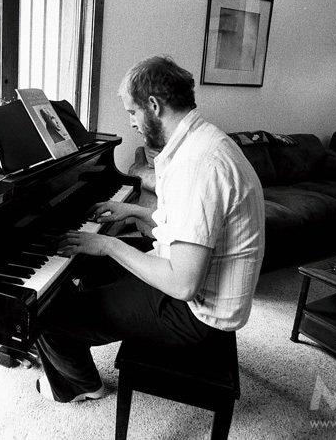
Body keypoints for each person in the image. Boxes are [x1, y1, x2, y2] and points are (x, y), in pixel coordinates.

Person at [34, 54, 266, 402]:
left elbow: (183, 284)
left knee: (46, 314)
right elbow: (192, 226)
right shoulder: (203, 140)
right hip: (199, 278)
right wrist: (133, 211)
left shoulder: (198, 164)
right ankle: (87, 331)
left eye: (132, 112)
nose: (131, 122)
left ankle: (82, 385)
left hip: (198, 313)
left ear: (154, 105)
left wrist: (109, 245)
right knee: (87, 262)